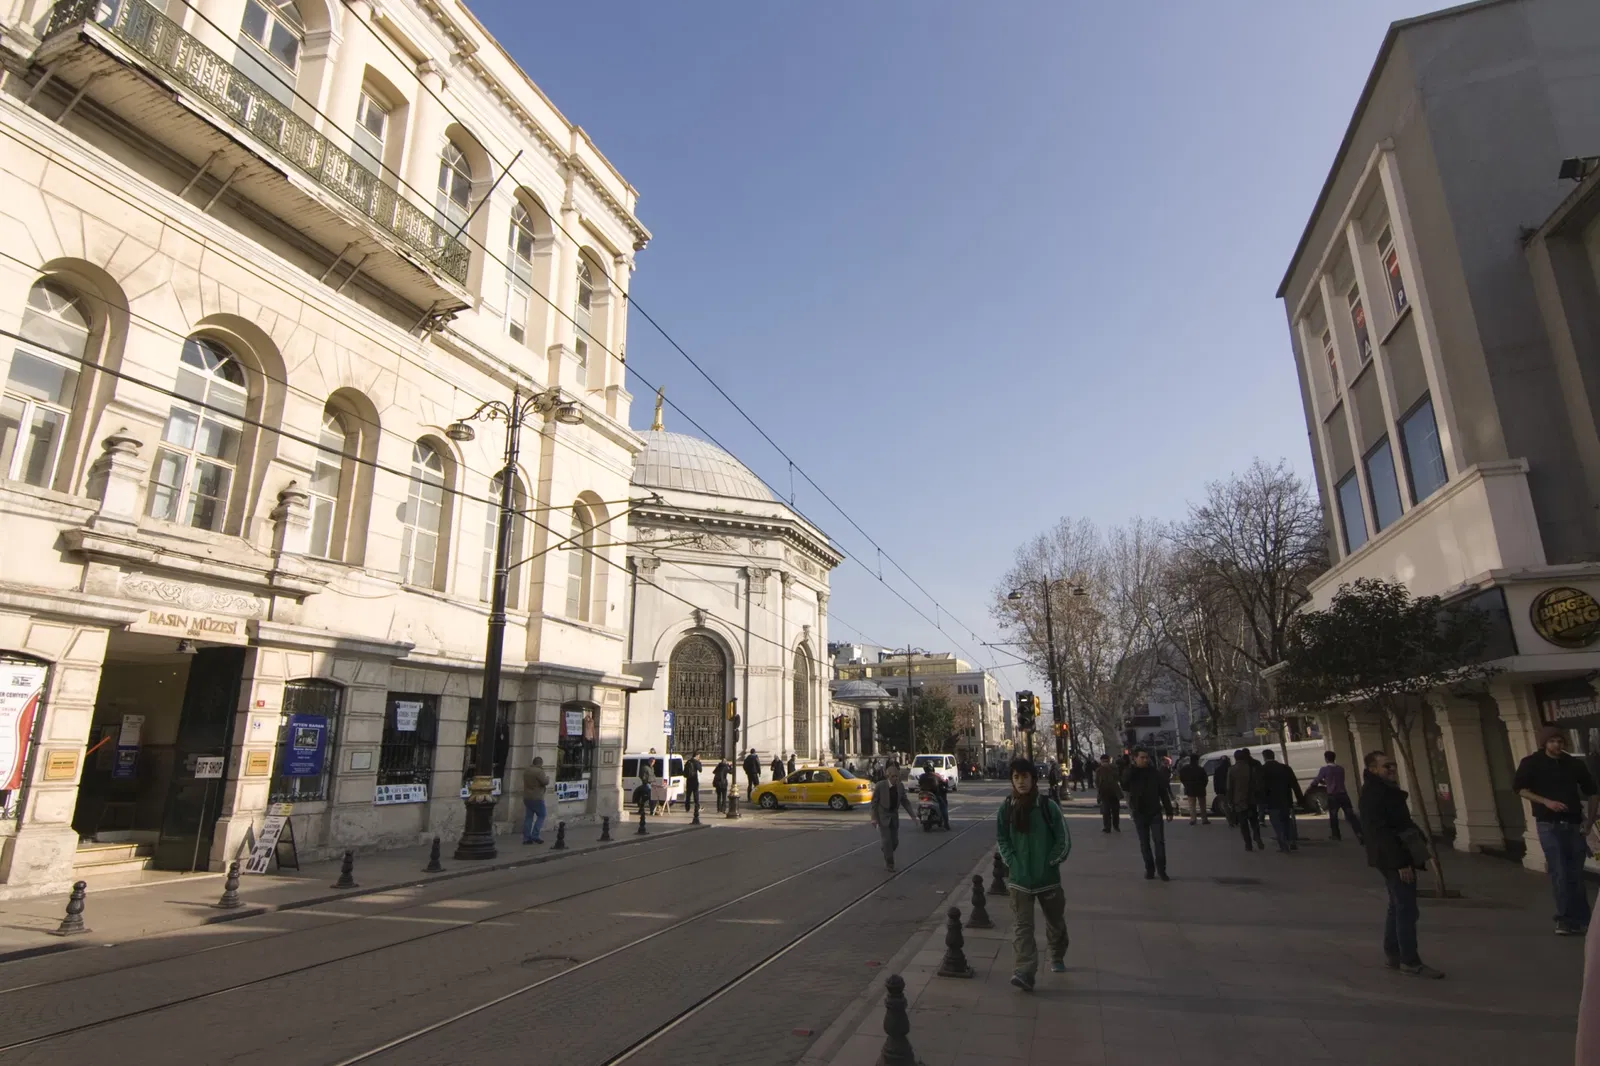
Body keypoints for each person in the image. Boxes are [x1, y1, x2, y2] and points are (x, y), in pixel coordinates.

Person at [1360, 749, 1444, 978]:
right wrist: (1400, 862)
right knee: (1407, 908)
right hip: (1393, 858)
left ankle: (1394, 954)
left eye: (1393, 765)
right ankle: (1409, 960)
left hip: (1392, 855)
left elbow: (1402, 823)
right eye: (1386, 766)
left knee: (1397, 905)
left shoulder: (1384, 790)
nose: (1392, 769)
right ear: (1373, 769)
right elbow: (1382, 831)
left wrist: (1422, 845)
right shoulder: (1376, 793)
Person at [1513, 725, 1600, 935]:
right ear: (1544, 743)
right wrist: (1546, 802)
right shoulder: (1531, 763)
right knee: (1559, 871)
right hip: (1548, 824)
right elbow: (1520, 789)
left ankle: (1582, 919)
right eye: (1552, 741)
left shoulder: (1574, 764)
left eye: (1560, 741)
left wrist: (1589, 821)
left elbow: (1593, 792)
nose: (1557, 745)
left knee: (1575, 874)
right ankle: (1564, 919)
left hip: (1573, 823)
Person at [996, 757, 1071, 992]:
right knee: (1022, 928)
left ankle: (1057, 954)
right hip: (1019, 881)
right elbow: (1002, 838)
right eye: (1016, 777)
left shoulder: (1048, 807)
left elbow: (1063, 839)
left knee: (1055, 922)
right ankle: (1025, 971)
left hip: (1047, 880)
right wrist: (1012, 862)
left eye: (1025, 777)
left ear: (1033, 778)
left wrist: (1051, 862)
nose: (1021, 782)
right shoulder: (1007, 807)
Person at [1121, 747, 1175, 880]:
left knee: (1159, 842)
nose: (1145, 760)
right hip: (1139, 812)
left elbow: (1163, 792)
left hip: (1155, 812)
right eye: (1142, 757)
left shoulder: (1154, 773)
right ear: (1135, 758)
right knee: (1144, 843)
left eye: (1146, 757)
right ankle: (1149, 869)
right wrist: (1131, 768)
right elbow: (1124, 784)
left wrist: (1169, 810)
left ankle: (1162, 870)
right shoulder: (1132, 772)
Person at [869, 760, 917, 872]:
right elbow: (874, 803)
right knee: (887, 840)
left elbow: (905, 802)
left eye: (897, 776)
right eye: (893, 776)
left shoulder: (900, 786)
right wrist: (873, 818)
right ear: (888, 776)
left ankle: (886, 850)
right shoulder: (880, 786)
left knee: (894, 842)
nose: (895, 778)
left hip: (894, 816)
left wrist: (913, 816)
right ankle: (889, 864)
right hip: (883, 816)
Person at [1309, 750, 1362, 844]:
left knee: (1333, 815)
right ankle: (1359, 832)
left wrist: (1313, 785)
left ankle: (1336, 835)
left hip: (1333, 795)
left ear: (1326, 759)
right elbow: (1337, 781)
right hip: (1343, 794)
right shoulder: (1340, 769)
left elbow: (1317, 780)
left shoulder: (1324, 769)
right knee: (1350, 814)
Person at [1260, 748, 1305, 853]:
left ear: (1264, 757)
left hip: (1272, 801)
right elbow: (1295, 784)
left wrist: (1262, 803)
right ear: (1273, 756)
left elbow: (1261, 787)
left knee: (1277, 823)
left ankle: (1284, 844)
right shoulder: (1285, 768)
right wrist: (1300, 799)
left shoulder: (1262, 770)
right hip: (1286, 799)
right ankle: (1292, 841)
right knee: (1287, 821)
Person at [1228, 749, 1263, 851]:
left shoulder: (1232, 770)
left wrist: (1230, 801)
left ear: (1235, 758)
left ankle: (1248, 844)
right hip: (1251, 799)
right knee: (1254, 821)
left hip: (1239, 801)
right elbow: (1256, 783)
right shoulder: (1250, 768)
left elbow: (1229, 787)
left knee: (1243, 824)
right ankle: (1257, 836)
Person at [521, 756, 550, 844]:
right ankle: (535, 835)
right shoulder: (539, 771)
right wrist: (548, 778)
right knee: (542, 815)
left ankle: (526, 838)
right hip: (537, 797)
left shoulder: (526, 771)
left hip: (527, 797)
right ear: (540, 763)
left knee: (528, 817)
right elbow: (544, 782)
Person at [1178, 754, 1210, 825]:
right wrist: (1203, 786)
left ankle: (1193, 819)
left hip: (1190, 789)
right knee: (1202, 805)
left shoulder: (1185, 769)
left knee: (1192, 806)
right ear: (1197, 760)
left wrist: (1186, 785)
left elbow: (1181, 777)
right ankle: (1204, 819)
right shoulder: (1200, 769)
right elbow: (1205, 779)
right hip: (1200, 789)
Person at [1094, 753, 1122, 833]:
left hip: (1114, 792)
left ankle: (1116, 825)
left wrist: (1109, 769)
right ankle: (1107, 827)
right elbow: (1097, 782)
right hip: (1104, 792)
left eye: (1106, 761)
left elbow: (1118, 777)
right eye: (1103, 761)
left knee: (1115, 811)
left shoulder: (1114, 768)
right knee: (1106, 811)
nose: (1105, 763)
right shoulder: (1099, 770)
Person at [917, 763, 950, 830]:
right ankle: (946, 824)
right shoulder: (936, 775)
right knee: (943, 806)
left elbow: (919, 783)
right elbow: (944, 781)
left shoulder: (922, 776)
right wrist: (946, 783)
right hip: (934, 794)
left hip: (923, 794)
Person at [1212, 754, 1232, 825]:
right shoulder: (1231, 768)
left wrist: (1216, 790)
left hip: (1221, 790)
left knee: (1225, 806)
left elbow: (1215, 781)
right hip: (1231, 790)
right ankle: (1236, 819)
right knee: (1233, 805)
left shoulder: (1217, 770)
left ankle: (1230, 821)